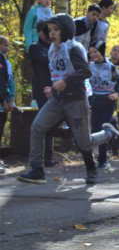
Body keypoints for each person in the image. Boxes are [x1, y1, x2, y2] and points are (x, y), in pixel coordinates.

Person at [18, 14, 119, 184]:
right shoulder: (53, 48)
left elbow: (86, 71)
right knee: (37, 126)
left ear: (66, 29)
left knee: (84, 143)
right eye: (49, 30)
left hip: (76, 100)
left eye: (56, 29)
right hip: (57, 100)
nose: (52, 33)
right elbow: (57, 73)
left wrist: (65, 82)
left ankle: (109, 134)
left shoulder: (73, 48)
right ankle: (37, 170)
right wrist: (52, 88)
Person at [28, 21, 70, 168]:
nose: (50, 34)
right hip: (42, 89)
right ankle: (44, 158)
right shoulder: (35, 47)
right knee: (44, 122)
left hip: (55, 88)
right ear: (40, 32)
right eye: (46, 31)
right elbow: (46, 62)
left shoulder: (54, 47)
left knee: (52, 121)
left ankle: (49, 155)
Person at [88, 45, 119, 169]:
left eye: (95, 52)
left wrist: (117, 93)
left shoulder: (111, 67)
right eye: (91, 52)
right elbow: (85, 83)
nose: (93, 54)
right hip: (95, 101)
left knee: (101, 129)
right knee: (94, 130)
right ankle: (113, 133)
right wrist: (89, 97)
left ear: (102, 52)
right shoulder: (90, 67)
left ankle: (103, 160)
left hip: (108, 101)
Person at [0, 36, 15, 172]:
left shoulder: (6, 62)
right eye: (5, 45)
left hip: (4, 101)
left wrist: (10, 99)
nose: (7, 48)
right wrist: (4, 99)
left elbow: (9, 81)